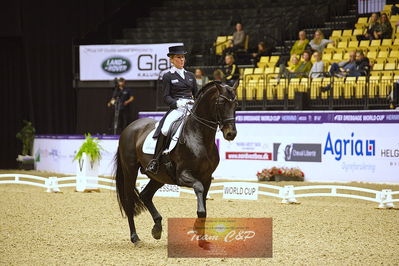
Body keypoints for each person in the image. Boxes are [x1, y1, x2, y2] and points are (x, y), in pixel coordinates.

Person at [146, 45, 198, 174]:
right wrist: (176, 103)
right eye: (178, 57)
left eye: (183, 57)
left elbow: (197, 94)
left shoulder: (190, 75)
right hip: (177, 108)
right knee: (164, 129)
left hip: (191, 107)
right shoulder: (168, 76)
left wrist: (196, 103)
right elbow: (166, 97)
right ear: (172, 59)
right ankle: (155, 161)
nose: (182, 60)